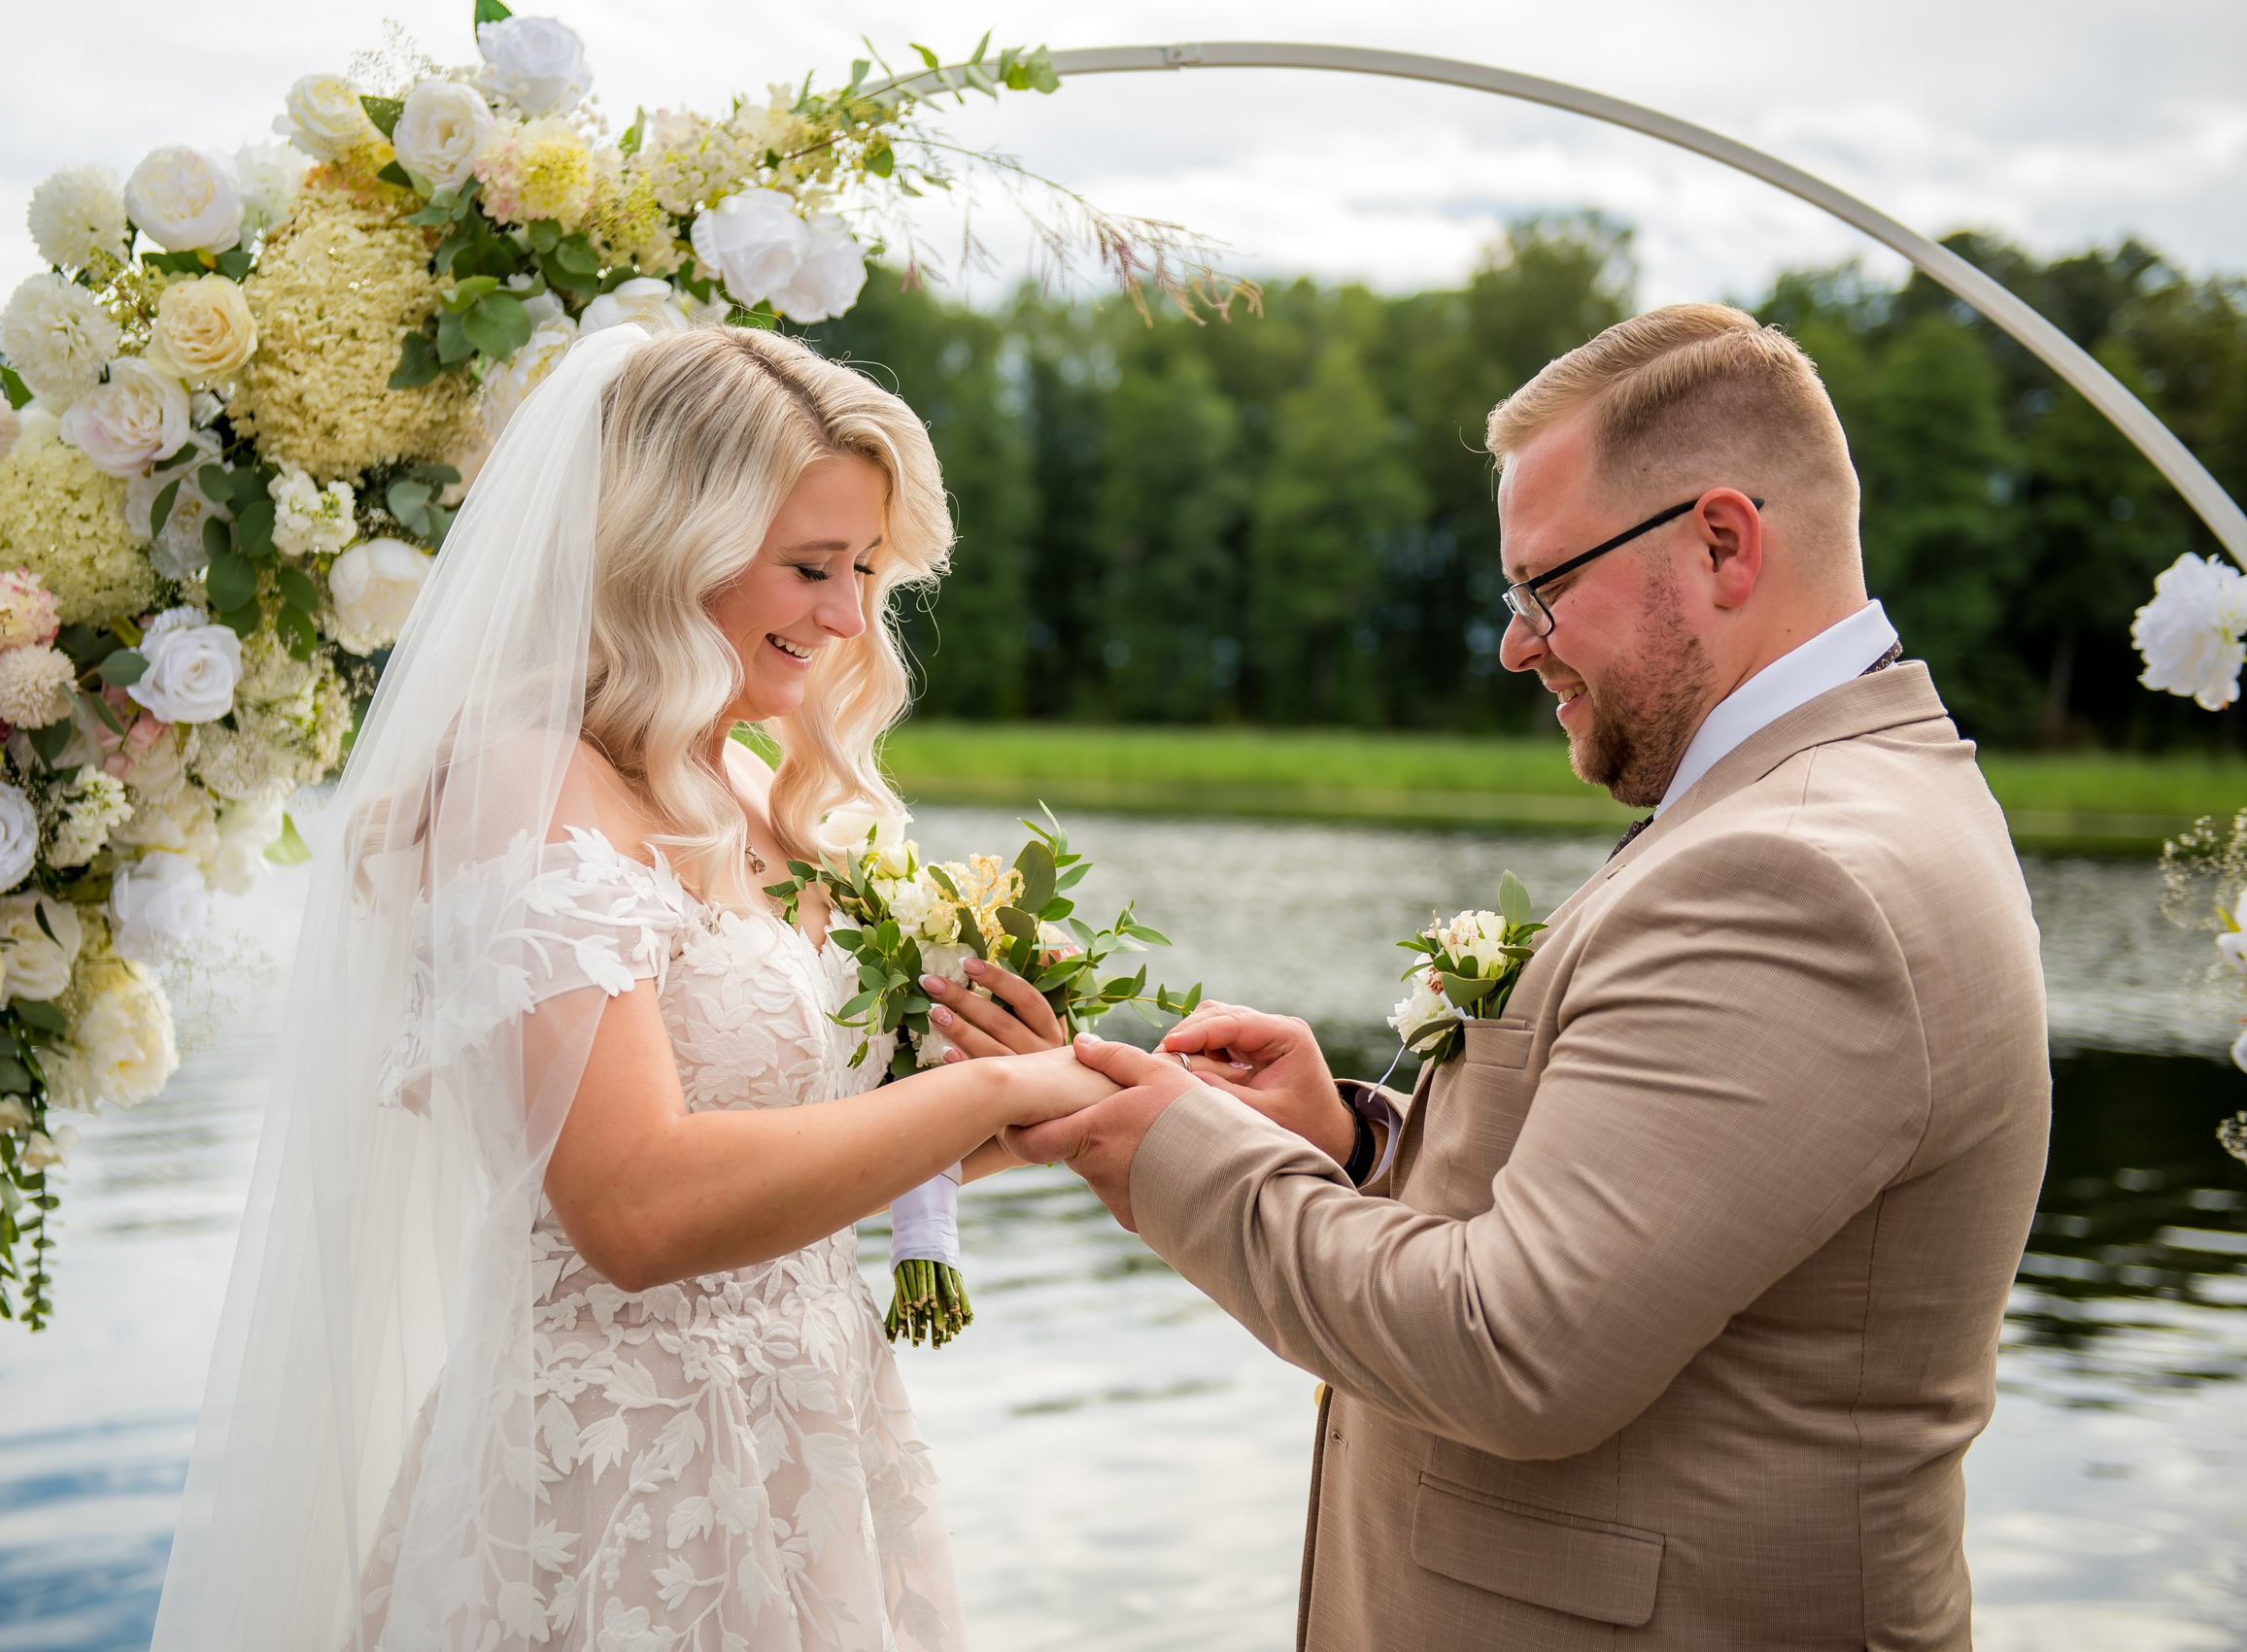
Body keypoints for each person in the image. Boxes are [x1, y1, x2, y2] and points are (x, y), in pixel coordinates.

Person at [1010, 304, 2052, 1649]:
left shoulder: (1804, 874)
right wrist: (1344, 1143)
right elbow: (1635, 1212)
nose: (1518, 643)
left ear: (1722, 542)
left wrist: (1181, 1155)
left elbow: (1516, 1348)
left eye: (1544, 586)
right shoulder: (1809, 805)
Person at [151, 323, 1109, 1652]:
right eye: (811, 566)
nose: (845, 616)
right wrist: (989, 1092)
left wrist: (980, 1116)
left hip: (818, 1441)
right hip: (619, 1470)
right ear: (672, 546)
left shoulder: (762, 795)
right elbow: (633, 1205)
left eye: (867, 571)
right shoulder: (527, 785)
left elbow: (798, 1154)